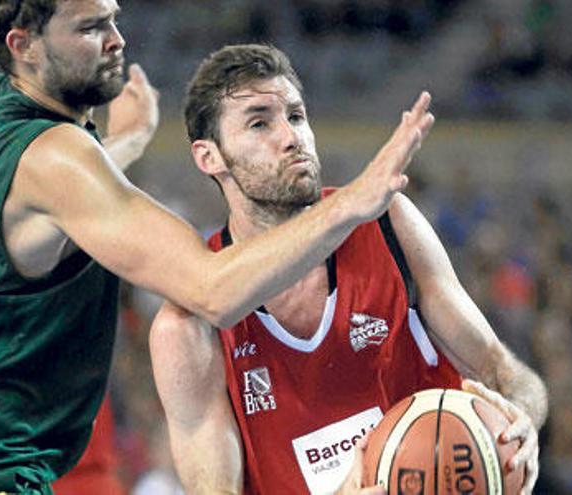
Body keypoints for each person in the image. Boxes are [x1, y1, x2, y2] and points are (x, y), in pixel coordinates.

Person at [0, 1, 436, 492]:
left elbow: (42, 210)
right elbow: (212, 289)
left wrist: (124, 143)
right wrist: (353, 202)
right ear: (24, 44)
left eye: (113, 18)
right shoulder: (58, 156)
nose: (117, 39)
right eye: (89, 28)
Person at [149, 44, 548, 495]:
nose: (290, 136)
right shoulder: (186, 327)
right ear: (209, 157)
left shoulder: (388, 224)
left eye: (296, 117)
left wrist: (520, 420)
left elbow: (508, 375)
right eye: (260, 122)